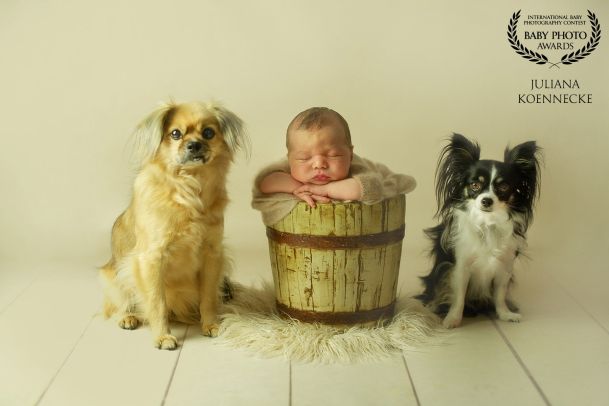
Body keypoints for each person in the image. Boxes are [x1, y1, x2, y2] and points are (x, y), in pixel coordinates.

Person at [252, 107, 416, 226]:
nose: (319, 164)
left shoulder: (356, 166)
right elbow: (265, 182)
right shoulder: (288, 166)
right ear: (290, 158)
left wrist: (322, 190)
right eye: (305, 158)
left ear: (350, 155)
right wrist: (299, 187)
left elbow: (370, 188)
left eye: (333, 155)